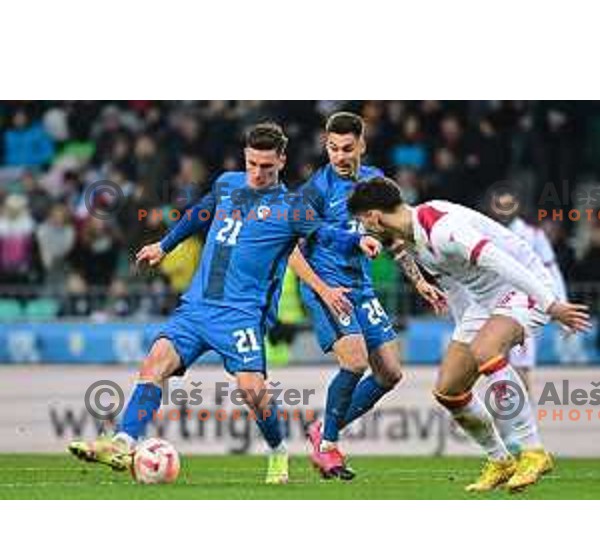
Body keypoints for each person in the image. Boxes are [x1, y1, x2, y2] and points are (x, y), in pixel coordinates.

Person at [68, 122, 380, 484]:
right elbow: (201, 212)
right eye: (252, 164)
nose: (258, 173)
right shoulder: (227, 184)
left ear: (281, 160)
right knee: (154, 364)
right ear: (244, 158)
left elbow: (325, 234)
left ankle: (278, 452)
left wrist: (356, 242)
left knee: (253, 392)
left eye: (267, 166)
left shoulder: (291, 207)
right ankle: (122, 441)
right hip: (197, 307)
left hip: (242, 316)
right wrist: (164, 245)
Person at [347, 176, 590, 492]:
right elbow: (455, 286)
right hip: (484, 301)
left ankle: (533, 451)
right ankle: (500, 460)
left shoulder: (442, 228)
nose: (365, 230)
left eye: (363, 222)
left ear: (373, 217)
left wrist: (551, 303)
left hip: (522, 287)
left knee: (486, 351)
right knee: (448, 389)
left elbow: (501, 262)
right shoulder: (412, 240)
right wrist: (464, 333)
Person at [288, 112, 445, 479]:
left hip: (361, 287)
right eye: (332, 148)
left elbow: (392, 237)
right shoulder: (314, 191)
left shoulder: (376, 182)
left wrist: (418, 280)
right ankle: (328, 447)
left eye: (347, 148)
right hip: (328, 287)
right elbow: (291, 250)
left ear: (362, 144)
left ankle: (322, 428)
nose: (340, 156)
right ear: (325, 147)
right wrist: (323, 291)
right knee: (355, 362)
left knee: (390, 373)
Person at [485, 185, 568, 397]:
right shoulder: (485, 232)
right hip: (493, 307)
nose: (503, 210)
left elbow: (552, 269)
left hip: (526, 309)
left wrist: (562, 305)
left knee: (521, 367)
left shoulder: (533, 235)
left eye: (508, 204)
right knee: (494, 366)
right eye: (499, 205)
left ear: (517, 206)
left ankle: (523, 421)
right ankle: (504, 418)